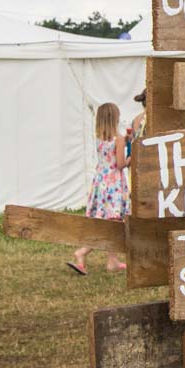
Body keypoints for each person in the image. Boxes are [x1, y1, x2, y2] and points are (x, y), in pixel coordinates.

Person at [71, 102, 130, 276]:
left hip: (101, 182)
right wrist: (131, 157)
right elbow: (120, 164)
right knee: (112, 224)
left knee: (111, 223)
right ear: (115, 118)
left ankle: (113, 260)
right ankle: (82, 252)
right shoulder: (118, 139)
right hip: (114, 185)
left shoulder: (99, 138)